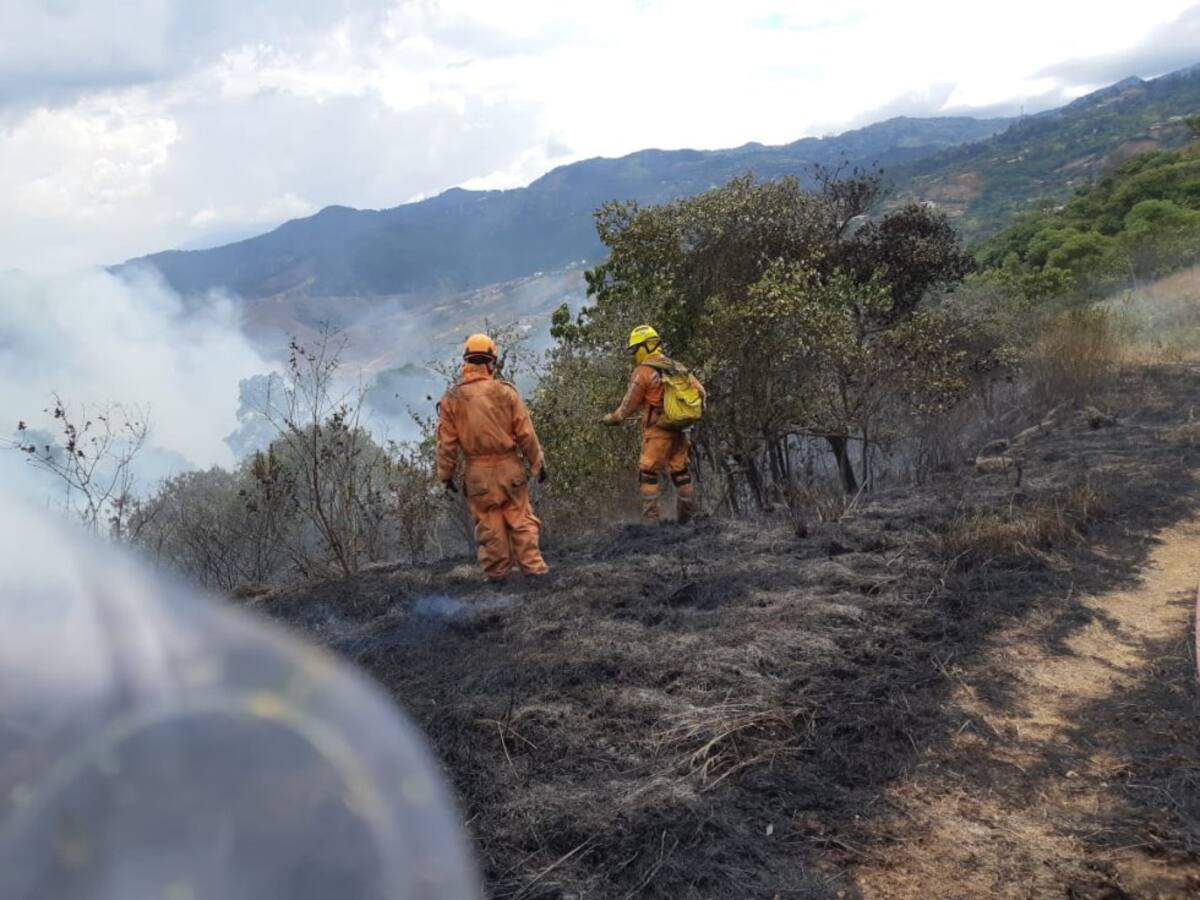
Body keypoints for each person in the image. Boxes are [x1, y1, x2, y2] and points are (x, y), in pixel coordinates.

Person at [436, 333, 549, 581]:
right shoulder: (506, 392)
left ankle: (498, 579)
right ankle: (535, 572)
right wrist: (537, 463)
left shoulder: (452, 399)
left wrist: (445, 475)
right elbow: (526, 433)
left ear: (466, 361)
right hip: (510, 469)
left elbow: (447, 445)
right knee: (522, 520)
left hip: (478, 476)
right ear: (491, 362)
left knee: (489, 526)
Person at [602, 325, 705, 524]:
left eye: (635, 349)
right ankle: (690, 517)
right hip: (681, 430)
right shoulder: (677, 367)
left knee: (648, 472)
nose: (634, 354)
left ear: (646, 346)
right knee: (680, 472)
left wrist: (613, 418)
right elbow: (701, 392)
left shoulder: (643, 371)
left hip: (658, 431)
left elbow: (628, 405)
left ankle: (651, 521)